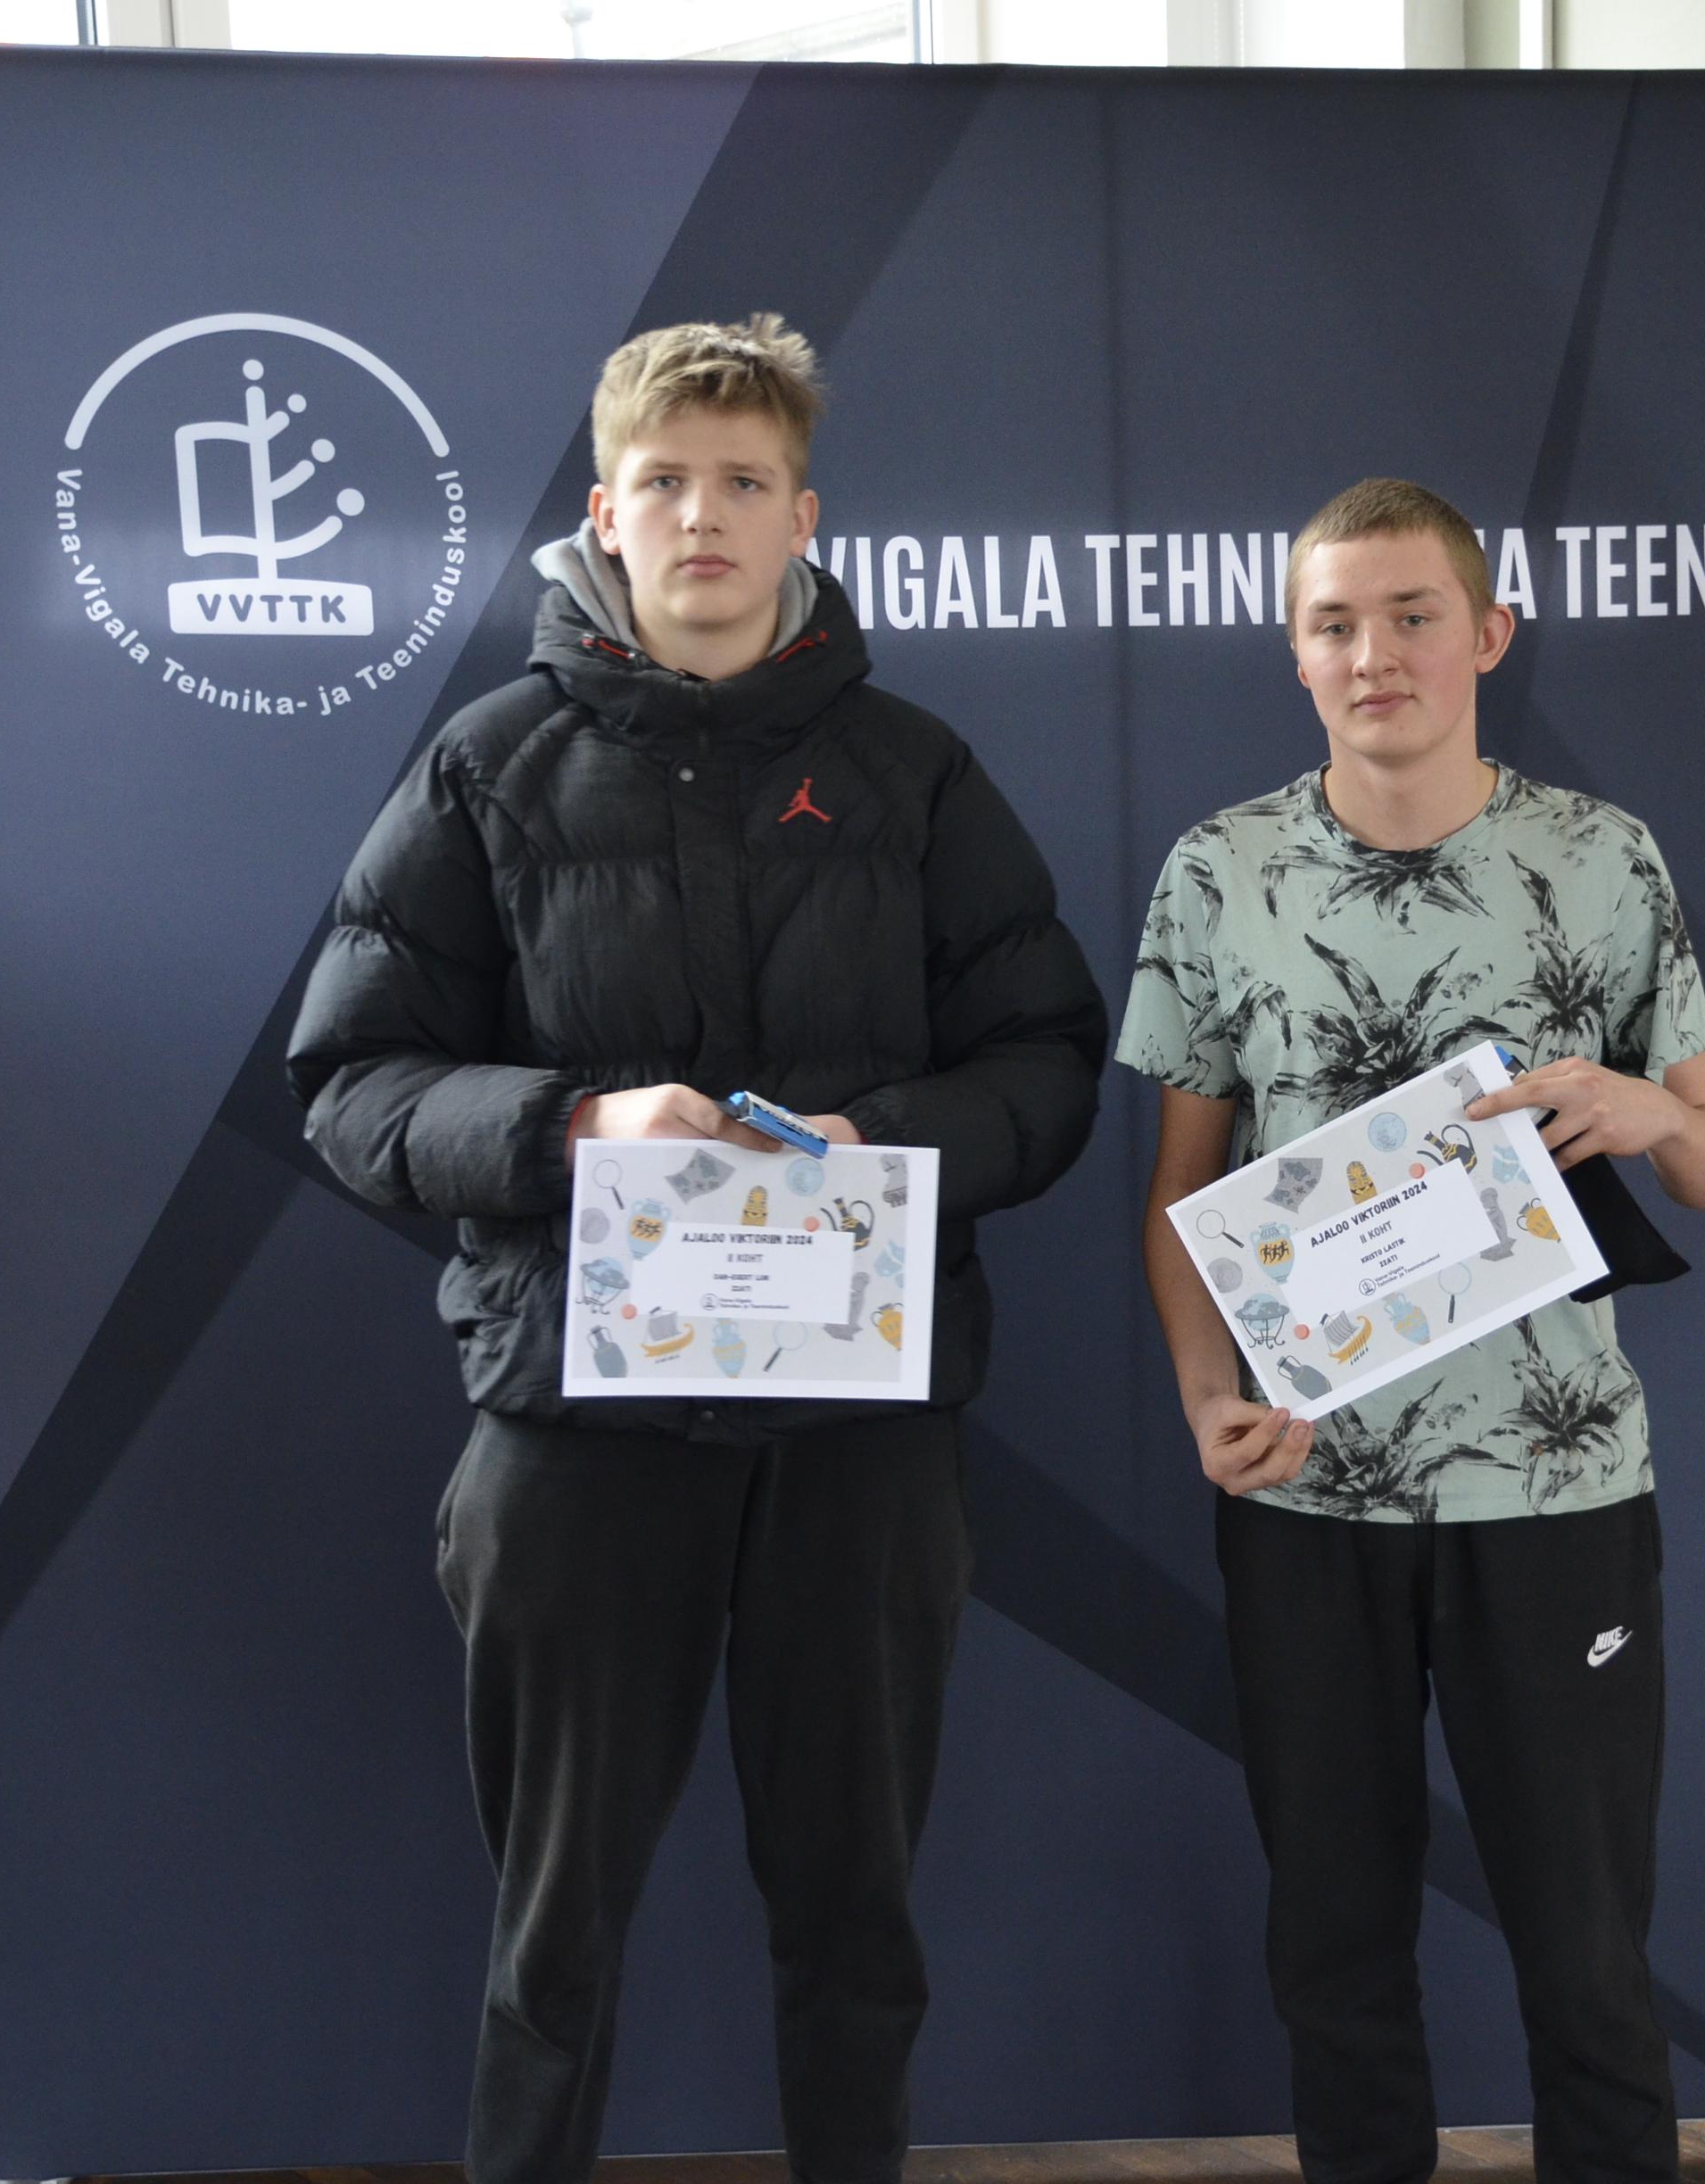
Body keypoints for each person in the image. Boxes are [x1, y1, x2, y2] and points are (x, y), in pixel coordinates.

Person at [288, 313, 1105, 2184]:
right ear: (607, 512)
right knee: (552, 1941)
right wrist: (576, 1129)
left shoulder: (915, 772)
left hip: (860, 1440)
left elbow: (1050, 1068)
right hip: (574, 1435)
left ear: (804, 515)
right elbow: (351, 1082)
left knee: (857, 1926)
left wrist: (886, 1146)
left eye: (746, 482)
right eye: (665, 482)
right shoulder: (487, 770)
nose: (705, 516)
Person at [1119, 478, 1705, 2184]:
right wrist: (1205, 1400)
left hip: (1557, 1495)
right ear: (1295, 651)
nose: (1373, 654)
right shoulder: (1220, 872)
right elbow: (1182, 1195)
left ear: (1488, 634)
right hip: (1308, 1496)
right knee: (1333, 1950)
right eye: (1335, 624)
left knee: (1590, 1953)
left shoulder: (1603, 857)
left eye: (1411, 617)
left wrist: (1648, 1109)